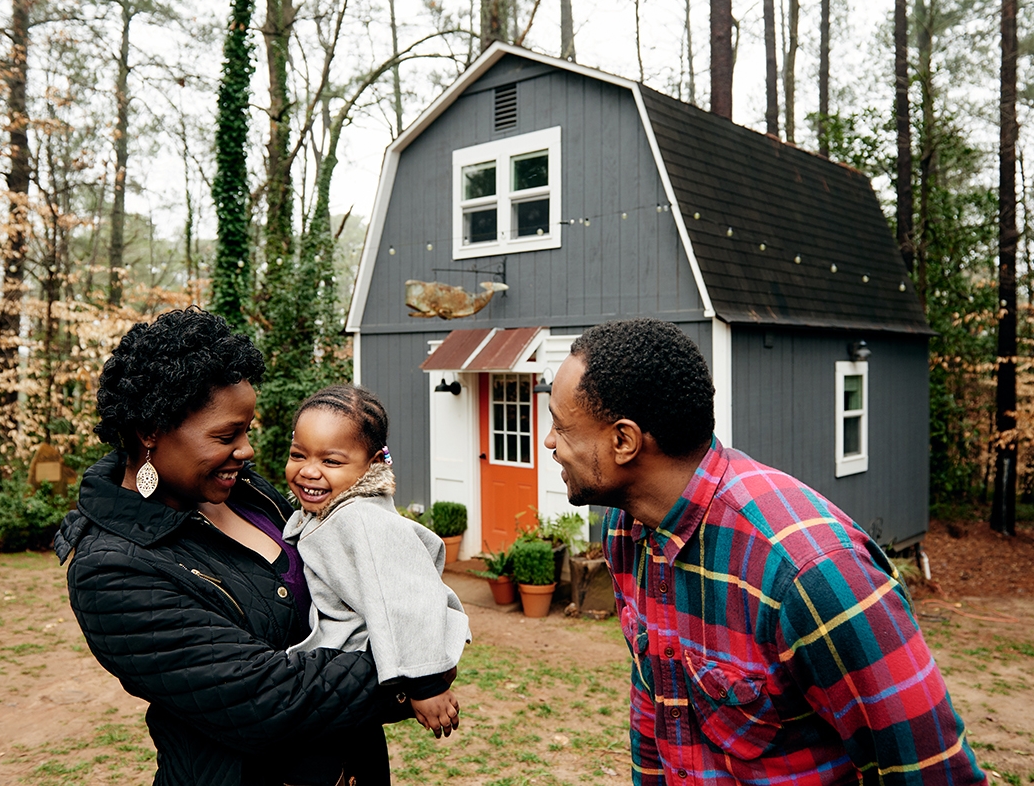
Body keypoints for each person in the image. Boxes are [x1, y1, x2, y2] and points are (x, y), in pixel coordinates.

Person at [542, 318, 986, 786]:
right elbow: (657, 704)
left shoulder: (812, 574)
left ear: (624, 441)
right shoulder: (628, 528)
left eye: (563, 427)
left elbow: (936, 773)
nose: (551, 443)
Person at [55, 308, 406, 786]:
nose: (247, 450)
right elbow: (266, 700)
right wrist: (410, 670)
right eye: (226, 435)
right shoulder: (113, 570)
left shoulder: (244, 491)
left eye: (247, 430)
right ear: (150, 431)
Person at [280, 385, 470, 784]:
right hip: (337, 682)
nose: (309, 470)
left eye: (331, 460)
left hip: (361, 673)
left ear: (371, 466)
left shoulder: (363, 520)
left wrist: (427, 683)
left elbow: (407, 597)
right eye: (298, 454)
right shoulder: (330, 509)